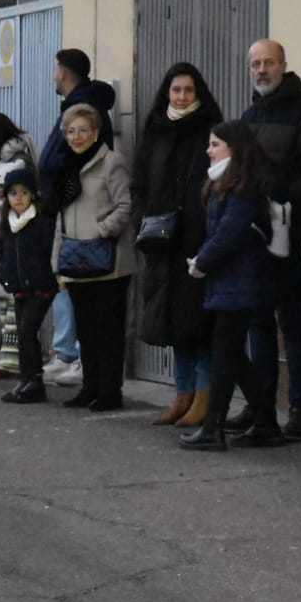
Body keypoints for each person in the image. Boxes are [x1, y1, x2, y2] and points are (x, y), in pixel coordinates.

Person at [239, 39, 301, 441]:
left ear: (283, 65)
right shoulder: (248, 115)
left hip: (286, 238)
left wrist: (281, 202)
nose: (262, 70)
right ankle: (261, 408)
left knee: (291, 324)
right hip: (250, 237)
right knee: (257, 323)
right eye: (255, 64)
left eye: (268, 63)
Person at [180, 121, 282, 450]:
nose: (208, 150)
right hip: (232, 282)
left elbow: (228, 234)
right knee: (232, 355)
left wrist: (201, 263)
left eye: (214, 145)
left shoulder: (243, 186)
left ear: (233, 148)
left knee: (226, 355)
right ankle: (265, 421)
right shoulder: (227, 182)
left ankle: (214, 427)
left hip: (240, 283)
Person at [133, 63, 223, 427]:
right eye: (176, 90)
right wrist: (142, 217)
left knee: (198, 324)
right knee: (172, 325)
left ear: (198, 92)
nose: (182, 96)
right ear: (167, 93)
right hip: (160, 241)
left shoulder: (210, 129)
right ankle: (181, 395)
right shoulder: (155, 129)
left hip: (196, 240)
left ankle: (203, 397)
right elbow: (139, 180)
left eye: (188, 90)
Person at [39, 49, 116, 386]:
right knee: (65, 282)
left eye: (56, 69)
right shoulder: (72, 107)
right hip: (66, 210)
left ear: (64, 72)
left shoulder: (85, 108)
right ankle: (66, 353)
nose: (75, 136)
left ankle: (80, 359)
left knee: (82, 287)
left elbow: (71, 160)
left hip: (84, 211)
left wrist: (54, 175)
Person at [52, 102, 134, 411]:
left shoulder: (112, 163)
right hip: (76, 258)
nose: (76, 137)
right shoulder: (66, 167)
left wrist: (103, 229)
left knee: (109, 329)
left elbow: (126, 205)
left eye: (83, 130)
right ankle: (90, 387)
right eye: (71, 131)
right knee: (85, 328)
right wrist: (58, 256)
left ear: (97, 132)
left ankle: (111, 391)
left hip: (108, 259)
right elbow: (60, 215)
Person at [0, 114, 37, 380]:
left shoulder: (16, 160)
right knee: (5, 304)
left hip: (12, 235)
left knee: (13, 302)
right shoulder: (1, 159)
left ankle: (11, 357)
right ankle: (7, 353)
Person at [0, 168, 59, 404]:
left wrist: (48, 278)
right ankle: (27, 378)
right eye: (13, 193)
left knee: (26, 330)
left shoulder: (41, 220)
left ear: (33, 194)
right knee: (23, 333)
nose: (19, 198)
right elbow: (4, 254)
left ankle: (34, 380)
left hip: (42, 286)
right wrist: (6, 277)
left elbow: (49, 252)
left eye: (24, 192)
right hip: (20, 286)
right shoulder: (7, 223)